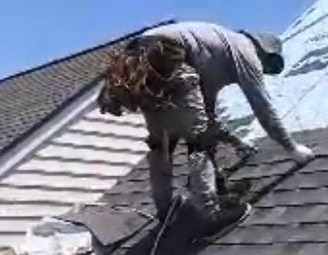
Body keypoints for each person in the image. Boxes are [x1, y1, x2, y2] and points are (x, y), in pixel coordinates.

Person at [97, 21, 315, 237]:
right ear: (263, 51)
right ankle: (211, 216)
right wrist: (293, 149)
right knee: (199, 141)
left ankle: (166, 211)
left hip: (137, 61)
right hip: (170, 53)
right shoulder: (245, 51)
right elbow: (262, 107)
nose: (263, 71)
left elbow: (208, 117)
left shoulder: (215, 52)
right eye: (267, 66)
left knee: (161, 143)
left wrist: (237, 143)